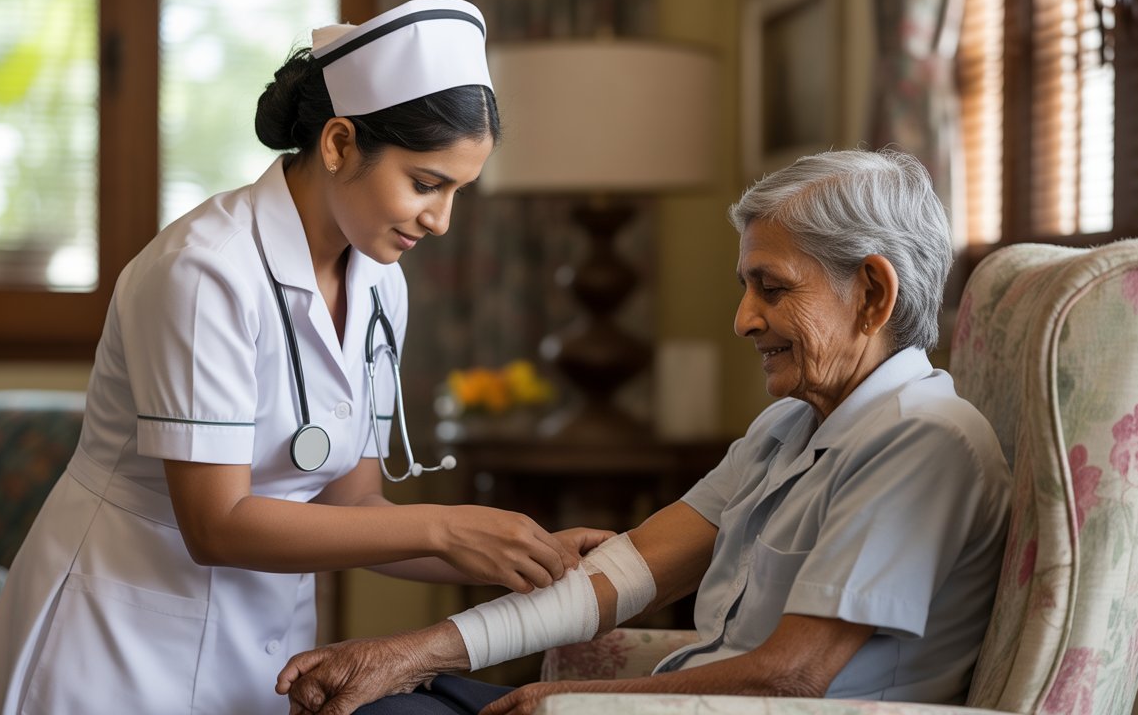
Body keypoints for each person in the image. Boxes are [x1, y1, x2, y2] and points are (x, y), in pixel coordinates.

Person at [0, 0, 609, 714]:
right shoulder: (203, 271)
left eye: (458, 191)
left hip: (262, 647)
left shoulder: (379, 284)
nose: (441, 220)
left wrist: (526, 554)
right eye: (426, 184)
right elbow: (216, 523)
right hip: (115, 640)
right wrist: (449, 525)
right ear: (338, 144)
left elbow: (353, 504)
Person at [275, 150, 1013, 715]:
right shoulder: (790, 425)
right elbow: (620, 577)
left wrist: (588, 704)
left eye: (773, 287)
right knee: (390, 701)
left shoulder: (922, 440)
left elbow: (794, 675)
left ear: (873, 293)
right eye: (745, 287)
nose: (744, 319)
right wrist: (406, 654)